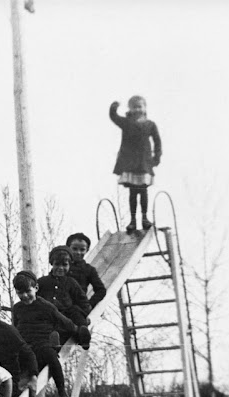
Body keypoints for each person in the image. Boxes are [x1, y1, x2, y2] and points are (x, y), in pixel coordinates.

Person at [12, 270, 91, 397]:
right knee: (15, 360)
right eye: (20, 293)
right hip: (25, 344)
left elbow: (63, 321)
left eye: (28, 291)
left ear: (36, 288)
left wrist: (78, 331)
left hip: (42, 342)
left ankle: (62, 392)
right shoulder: (17, 308)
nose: (24, 296)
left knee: (51, 357)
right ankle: (13, 392)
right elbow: (15, 327)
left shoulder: (46, 307)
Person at [109, 96, 162, 233]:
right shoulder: (126, 123)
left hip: (144, 163)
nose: (137, 109)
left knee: (143, 191)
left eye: (140, 106)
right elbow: (114, 117)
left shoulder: (150, 124)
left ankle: (144, 218)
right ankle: (132, 220)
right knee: (133, 192)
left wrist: (156, 157)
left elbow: (157, 141)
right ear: (130, 109)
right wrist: (114, 107)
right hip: (130, 164)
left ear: (144, 108)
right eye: (134, 107)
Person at [37, 245, 91, 328]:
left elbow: (83, 301)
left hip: (66, 318)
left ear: (69, 265)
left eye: (64, 265)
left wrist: (84, 315)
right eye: (57, 264)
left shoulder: (71, 282)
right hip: (47, 317)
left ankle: (82, 332)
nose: (60, 268)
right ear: (52, 264)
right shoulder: (42, 282)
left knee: (75, 311)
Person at [64, 233, 106, 311]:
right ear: (68, 248)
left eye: (82, 249)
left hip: (77, 309)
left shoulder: (88, 269)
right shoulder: (61, 267)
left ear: (87, 250)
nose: (78, 252)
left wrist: (89, 305)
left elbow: (101, 290)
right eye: (74, 249)